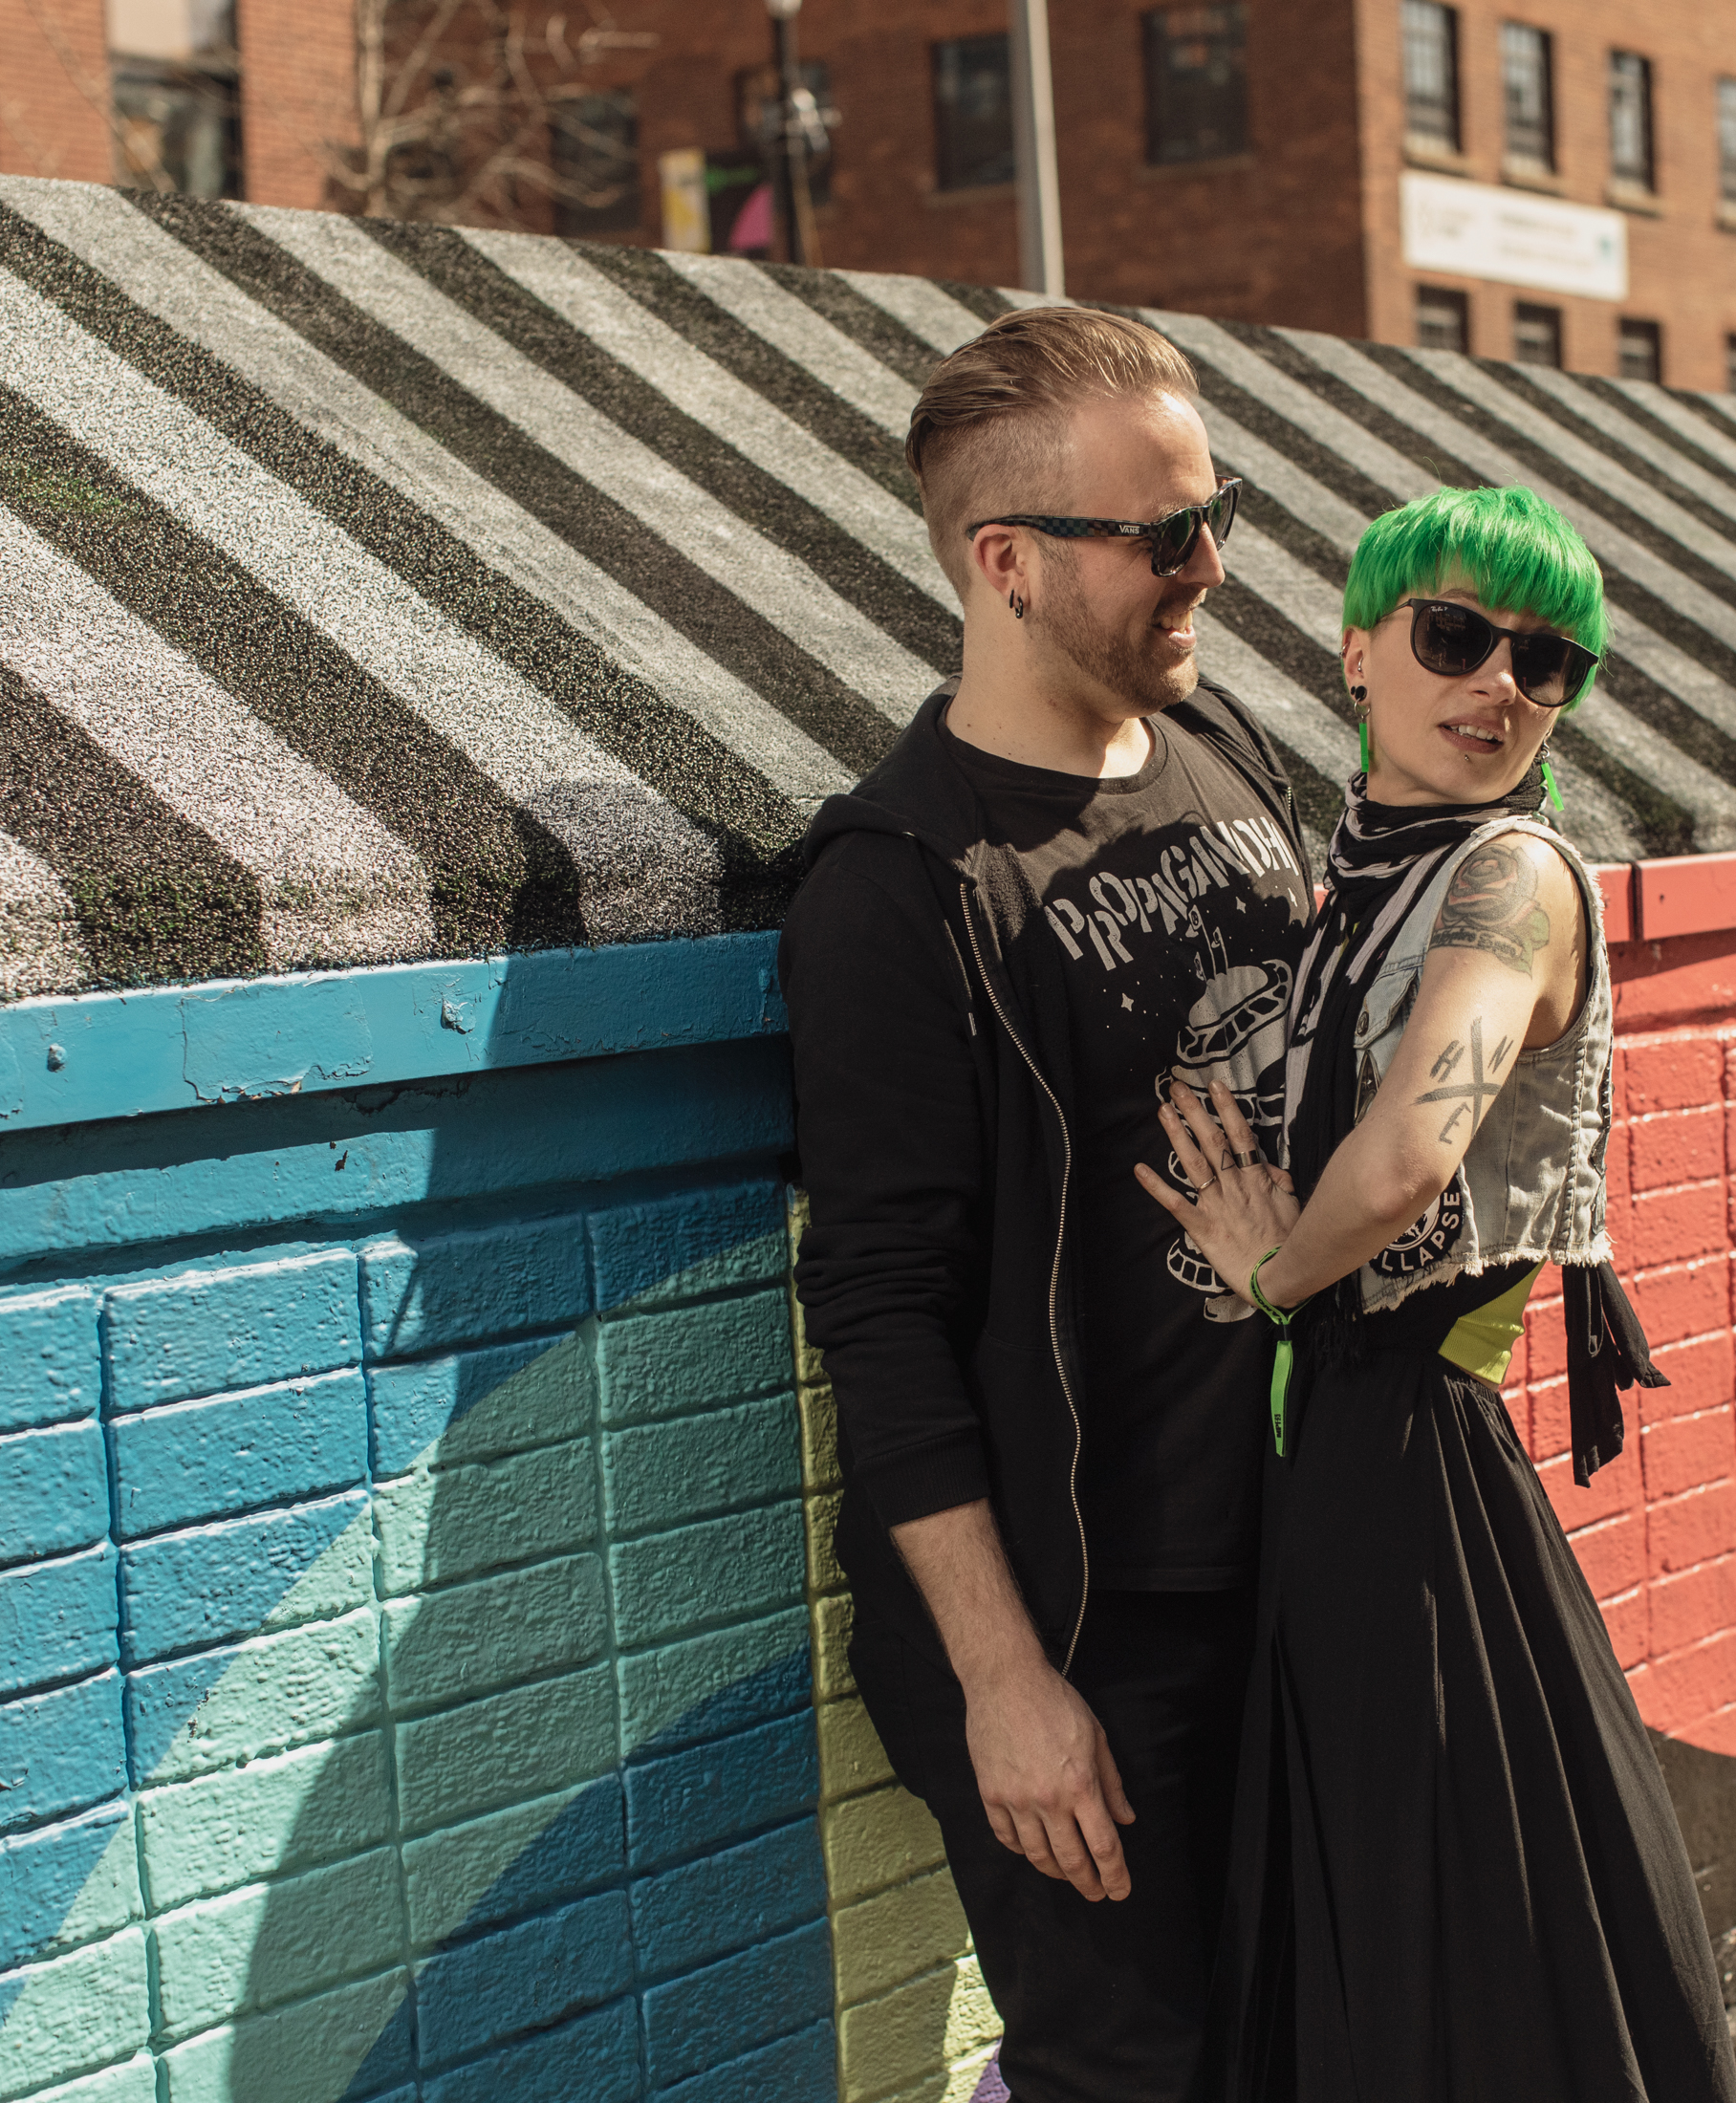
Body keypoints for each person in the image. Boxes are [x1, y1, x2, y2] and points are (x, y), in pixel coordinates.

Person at [1143, 486, 1736, 2103]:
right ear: (1357, 652)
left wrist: (1262, 1267)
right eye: (1458, 636)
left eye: (1549, 665)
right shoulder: (1354, 881)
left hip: (1404, 1449)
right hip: (1333, 1446)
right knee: (1400, 1900)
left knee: (1445, 1912)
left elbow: (1412, 1155)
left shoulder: (1509, 879)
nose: (1502, 688)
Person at [781, 306, 1311, 2103]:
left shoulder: (1230, 755)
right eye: (1160, 536)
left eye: (1212, 514)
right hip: (1098, 1629)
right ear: (1004, 561)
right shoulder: (903, 885)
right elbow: (879, 1311)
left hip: (1291, 1565)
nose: (1209, 569)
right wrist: (1004, 1686)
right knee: (1135, 2079)